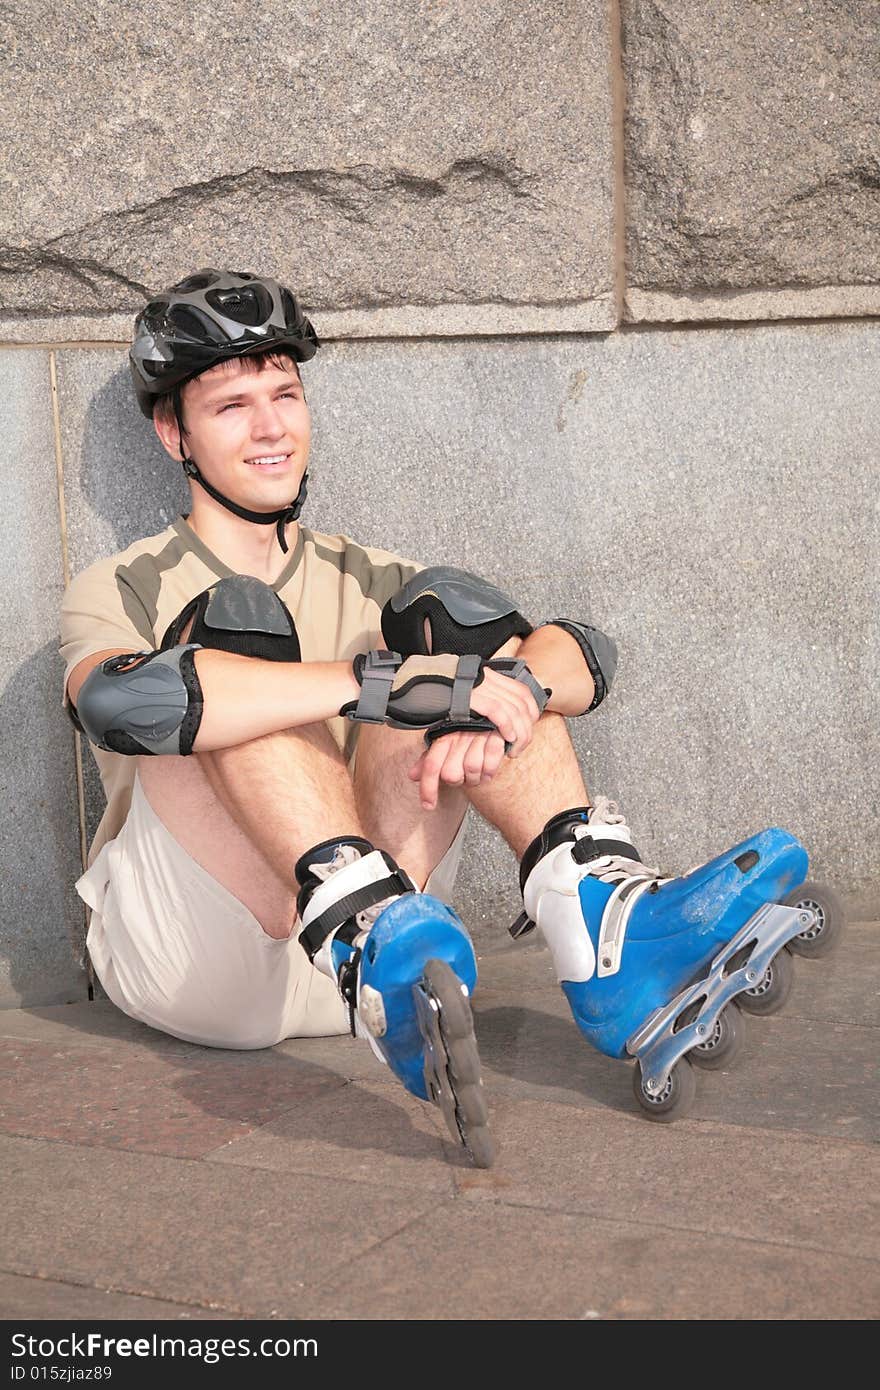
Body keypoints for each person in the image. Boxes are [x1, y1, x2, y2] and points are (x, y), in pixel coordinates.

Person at [60, 270, 835, 1168]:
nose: (272, 428)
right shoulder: (125, 581)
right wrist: (376, 684)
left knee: (471, 639)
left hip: (388, 969)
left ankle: (607, 933)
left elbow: (582, 658)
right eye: (233, 406)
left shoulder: (372, 573)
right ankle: (356, 918)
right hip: (199, 962)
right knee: (227, 655)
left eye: (286, 395)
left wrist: (504, 690)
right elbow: (118, 702)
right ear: (173, 434)